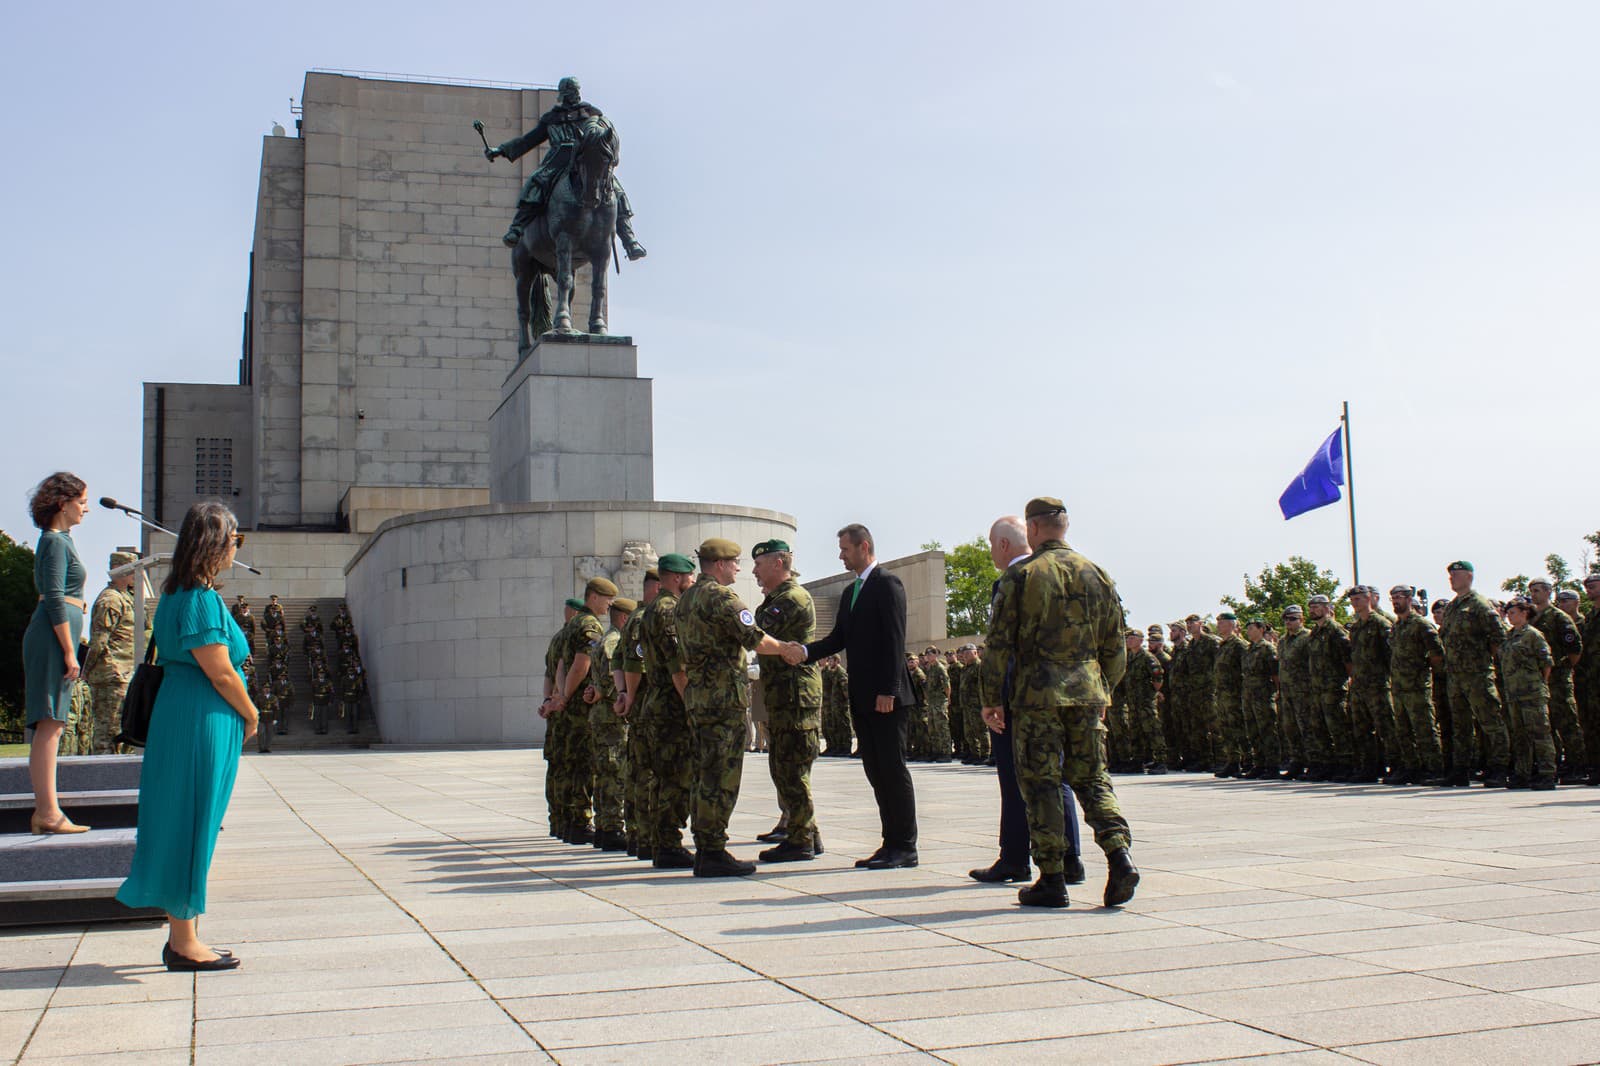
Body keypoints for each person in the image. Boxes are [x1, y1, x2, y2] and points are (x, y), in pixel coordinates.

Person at [116, 501, 258, 972]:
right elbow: (220, 672)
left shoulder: (176, 596)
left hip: (183, 714)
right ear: (216, 543)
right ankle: (182, 940)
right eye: (234, 540)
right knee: (193, 821)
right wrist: (251, 712)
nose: (235, 550)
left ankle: (186, 933)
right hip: (202, 717)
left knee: (184, 818)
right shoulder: (200, 599)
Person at [981, 497, 1137, 910]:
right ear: (1064, 526)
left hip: (1037, 695)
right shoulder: (1096, 573)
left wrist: (991, 699)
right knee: (1092, 779)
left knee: (1041, 782)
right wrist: (1103, 689)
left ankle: (1052, 878)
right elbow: (1115, 644)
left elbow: (998, 646)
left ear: (1033, 530)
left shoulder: (1023, 576)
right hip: (1086, 692)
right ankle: (1119, 855)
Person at [782, 524, 919, 870]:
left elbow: (895, 639)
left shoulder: (887, 584)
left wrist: (889, 689)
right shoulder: (851, 591)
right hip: (862, 697)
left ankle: (905, 845)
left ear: (864, 547)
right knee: (875, 770)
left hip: (886, 697)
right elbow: (837, 639)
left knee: (892, 769)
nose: (841, 555)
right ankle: (890, 843)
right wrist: (802, 651)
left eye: (845, 549)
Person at [970, 515, 1085, 887]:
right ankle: (1070, 858)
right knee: (1057, 776)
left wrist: (993, 699)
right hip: (1064, 692)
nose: (991, 552)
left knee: (1014, 775)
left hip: (1019, 696)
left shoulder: (1013, 580)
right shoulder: (1066, 574)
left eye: (991, 545)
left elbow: (1002, 648)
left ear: (1004, 545)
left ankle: (1016, 857)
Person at [675, 539, 790, 877]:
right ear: (721, 564)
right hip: (723, 700)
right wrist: (788, 649)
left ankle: (704, 846)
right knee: (721, 776)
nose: (740, 568)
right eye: (736, 562)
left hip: (697, 699)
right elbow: (755, 638)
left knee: (702, 772)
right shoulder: (722, 598)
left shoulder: (686, 600)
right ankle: (712, 850)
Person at [485, 75, 647, 258]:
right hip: (558, 161)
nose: (572, 97)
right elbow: (528, 140)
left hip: (584, 161)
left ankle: (629, 240)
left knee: (616, 191)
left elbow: (606, 140)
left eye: (573, 93)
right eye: (569, 94)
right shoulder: (552, 119)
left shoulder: (591, 114)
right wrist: (501, 150)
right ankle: (517, 227)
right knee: (536, 182)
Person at [22, 472, 91, 834]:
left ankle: (48, 810)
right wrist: (69, 650)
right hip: (51, 639)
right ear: (63, 502)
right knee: (50, 722)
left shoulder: (62, 541)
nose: (85, 508)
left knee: (54, 723)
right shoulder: (54, 542)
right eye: (81, 501)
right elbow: (52, 597)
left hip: (56, 636)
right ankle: (47, 812)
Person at [750, 540, 826, 862]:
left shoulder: (792, 598)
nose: (754, 570)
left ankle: (801, 840)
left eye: (759, 564)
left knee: (791, 769)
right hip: (783, 695)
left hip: (795, 697)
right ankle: (807, 832)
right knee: (784, 767)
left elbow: (757, 633)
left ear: (779, 563)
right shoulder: (776, 599)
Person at [641, 554, 696, 869]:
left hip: (659, 701)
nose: (691, 582)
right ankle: (668, 844)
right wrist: (691, 706)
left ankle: (661, 841)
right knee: (675, 777)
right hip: (672, 706)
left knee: (663, 777)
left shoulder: (652, 610)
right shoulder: (668, 611)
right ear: (676, 578)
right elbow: (678, 666)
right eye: (688, 577)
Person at [1440, 561, 1510, 787]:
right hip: (1456, 677)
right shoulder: (1452, 607)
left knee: (1490, 722)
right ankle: (1461, 769)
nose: (1452, 579)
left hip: (1478, 675)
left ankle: (1499, 768)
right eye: (1450, 575)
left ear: (1469, 576)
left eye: (1456, 575)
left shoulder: (1481, 605)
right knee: (1460, 726)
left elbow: (1498, 641)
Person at [1388, 584, 1448, 785]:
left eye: (1400, 597)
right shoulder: (1397, 626)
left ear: (1409, 599)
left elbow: (1437, 655)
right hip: (1399, 687)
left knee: (1425, 729)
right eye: (1393, 598)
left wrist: (1425, 675)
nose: (1396, 601)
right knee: (1403, 730)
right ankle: (1411, 768)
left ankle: (1434, 769)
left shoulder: (1421, 625)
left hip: (1417, 686)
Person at [82, 550, 141, 754]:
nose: (135, 575)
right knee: (107, 734)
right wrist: (85, 671)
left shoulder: (128, 598)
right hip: (111, 676)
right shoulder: (110, 600)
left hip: (125, 675)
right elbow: (99, 641)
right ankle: (100, 779)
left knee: (123, 735)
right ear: (117, 570)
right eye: (130, 570)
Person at [1528, 579, 1586, 783]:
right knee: (1547, 725)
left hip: (1559, 679)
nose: (1534, 595)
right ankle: (1557, 764)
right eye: (1532, 591)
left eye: (1537, 591)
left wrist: (1563, 669)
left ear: (1548, 592)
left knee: (1567, 722)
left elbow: (1575, 648)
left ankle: (1578, 765)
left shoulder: (1558, 617)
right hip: (1540, 680)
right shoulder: (1532, 618)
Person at [1499, 597, 1556, 790]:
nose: (1509, 616)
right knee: (1520, 736)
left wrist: (1539, 684)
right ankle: (1522, 773)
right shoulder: (1509, 636)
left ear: (1524, 613)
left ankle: (1547, 774)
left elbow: (1546, 663)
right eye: (1508, 613)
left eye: (1513, 612)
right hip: (1514, 693)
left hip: (1532, 692)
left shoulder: (1533, 635)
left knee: (1540, 734)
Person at [1347, 586, 1400, 784]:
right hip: (1360, 685)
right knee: (1362, 729)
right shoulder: (1356, 626)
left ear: (1369, 599)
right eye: (1353, 600)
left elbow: (1390, 655)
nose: (1355, 603)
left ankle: (1396, 764)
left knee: (1386, 728)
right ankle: (1370, 767)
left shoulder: (1380, 624)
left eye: (1359, 599)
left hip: (1378, 684)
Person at [1240, 619, 1279, 778]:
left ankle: (1272, 765)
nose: (1248, 631)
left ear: (1261, 629)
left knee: (1267, 730)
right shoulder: (1249, 649)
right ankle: (1259, 763)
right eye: (1247, 628)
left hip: (1263, 694)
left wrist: (1278, 692)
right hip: (1249, 695)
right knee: (1253, 731)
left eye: (1251, 628)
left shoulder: (1267, 648)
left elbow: (1275, 673)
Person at [1211, 614, 1248, 777]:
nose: (1218, 625)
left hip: (1235, 693)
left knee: (1239, 727)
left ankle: (1248, 760)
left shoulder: (1239, 645)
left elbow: (1245, 670)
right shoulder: (1222, 645)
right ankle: (1232, 761)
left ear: (1232, 625)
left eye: (1222, 623)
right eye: (1218, 622)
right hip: (1222, 694)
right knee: (1226, 728)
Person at [1577, 574, 1600, 786]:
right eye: (1587, 587)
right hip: (1592, 678)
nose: (1589, 589)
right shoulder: (1591, 616)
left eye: (1593, 586)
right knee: (1593, 723)